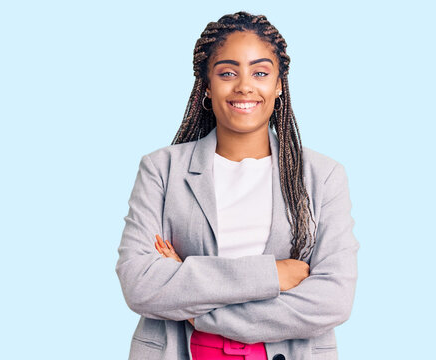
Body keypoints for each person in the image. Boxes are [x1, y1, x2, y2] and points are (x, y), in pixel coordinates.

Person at [116, 11, 359, 360]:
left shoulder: (323, 175)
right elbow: (140, 284)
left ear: (278, 85)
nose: (244, 85)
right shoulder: (161, 169)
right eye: (228, 73)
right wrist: (272, 274)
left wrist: (196, 309)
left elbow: (332, 300)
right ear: (207, 85)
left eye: (260, 73)